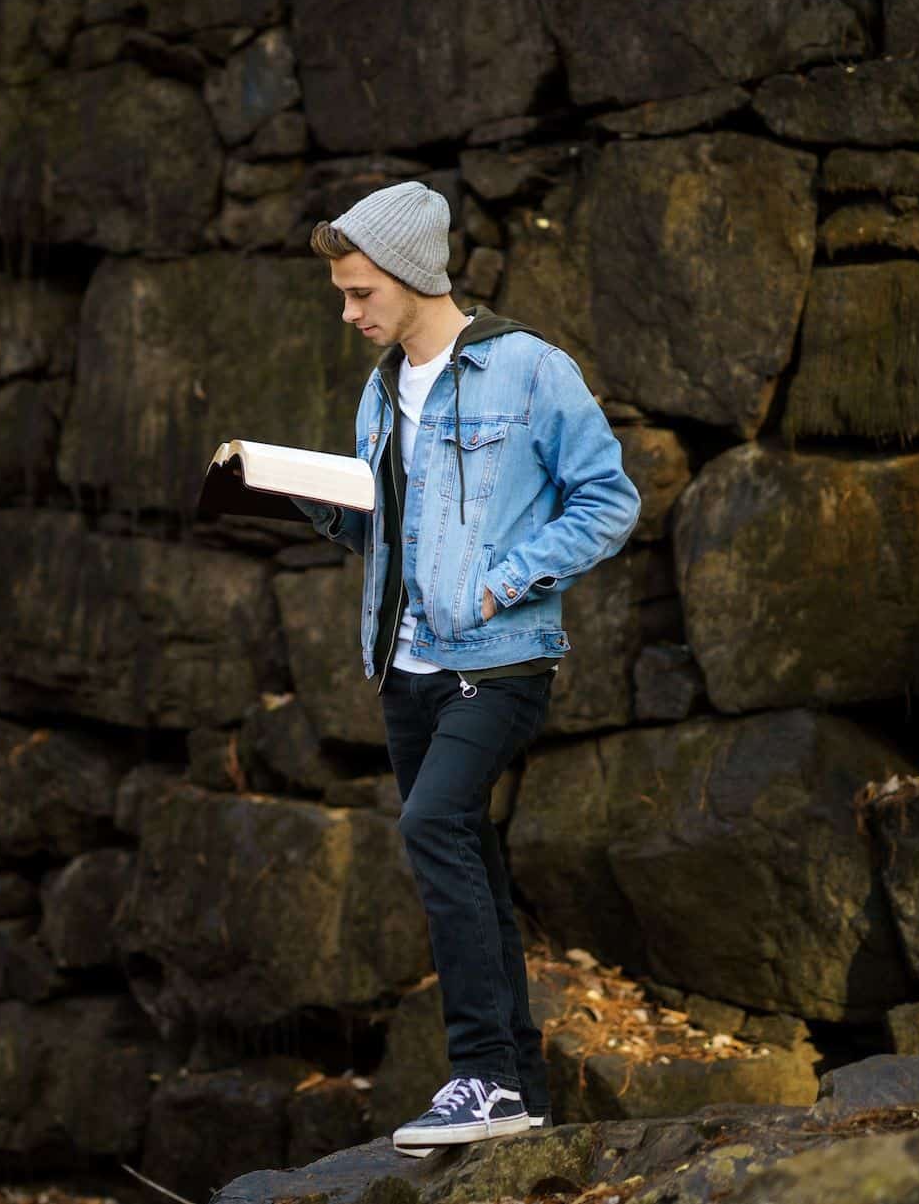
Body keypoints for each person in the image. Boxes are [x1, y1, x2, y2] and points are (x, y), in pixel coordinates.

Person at [293, 180, 639, 1152]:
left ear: (410, 275)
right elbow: (392, 537)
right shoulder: (379, 390)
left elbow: (609, 502)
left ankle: (480, 1073)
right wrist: (296, 494)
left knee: (435, 823)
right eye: (343, 295)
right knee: (472, 861)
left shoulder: (530, 371)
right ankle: (519, 1093)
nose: (349, 312)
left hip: (499, 659)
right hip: (404, 670)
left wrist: (507, 578)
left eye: (361, 293)